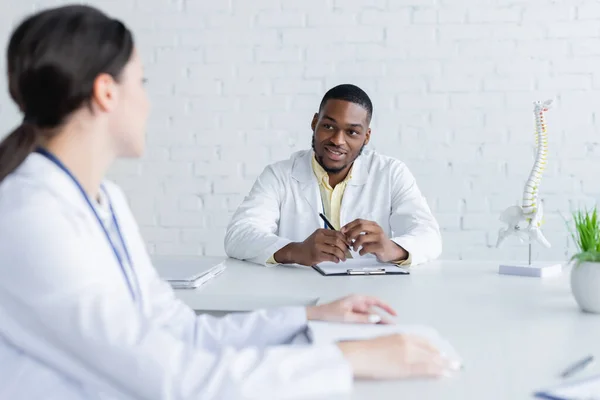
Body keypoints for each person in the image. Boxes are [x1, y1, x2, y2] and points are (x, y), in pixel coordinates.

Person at [0, 5, 456, 400]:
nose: (147, 101)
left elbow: (182, 331)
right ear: (106, 92)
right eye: (141, 81)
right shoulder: (32, 218)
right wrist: (346, 359)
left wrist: (308, 318)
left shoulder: (104, 201)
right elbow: (177, 379)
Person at [225, 84, 442, 267]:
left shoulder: (391, 173)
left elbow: (430, 236)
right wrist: (296, 251)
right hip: (299, 291)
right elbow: (239, 235)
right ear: (314, 123)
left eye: (352, 132)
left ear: (366, 137)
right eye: (328, 126)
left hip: (371, 293)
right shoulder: (279, 175)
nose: (338, 140)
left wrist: (392, 248)